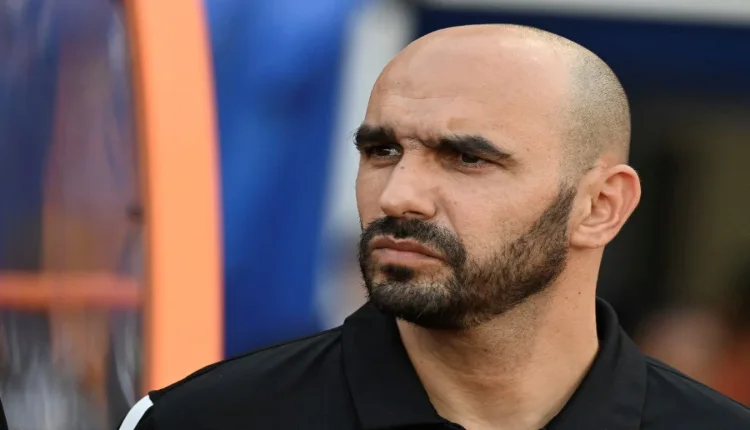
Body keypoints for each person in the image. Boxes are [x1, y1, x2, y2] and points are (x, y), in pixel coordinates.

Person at [119, 24, 750, 429]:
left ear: (601, 206)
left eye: (468, 158)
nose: (399, 195)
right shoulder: (203, 420)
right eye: (382, 151)